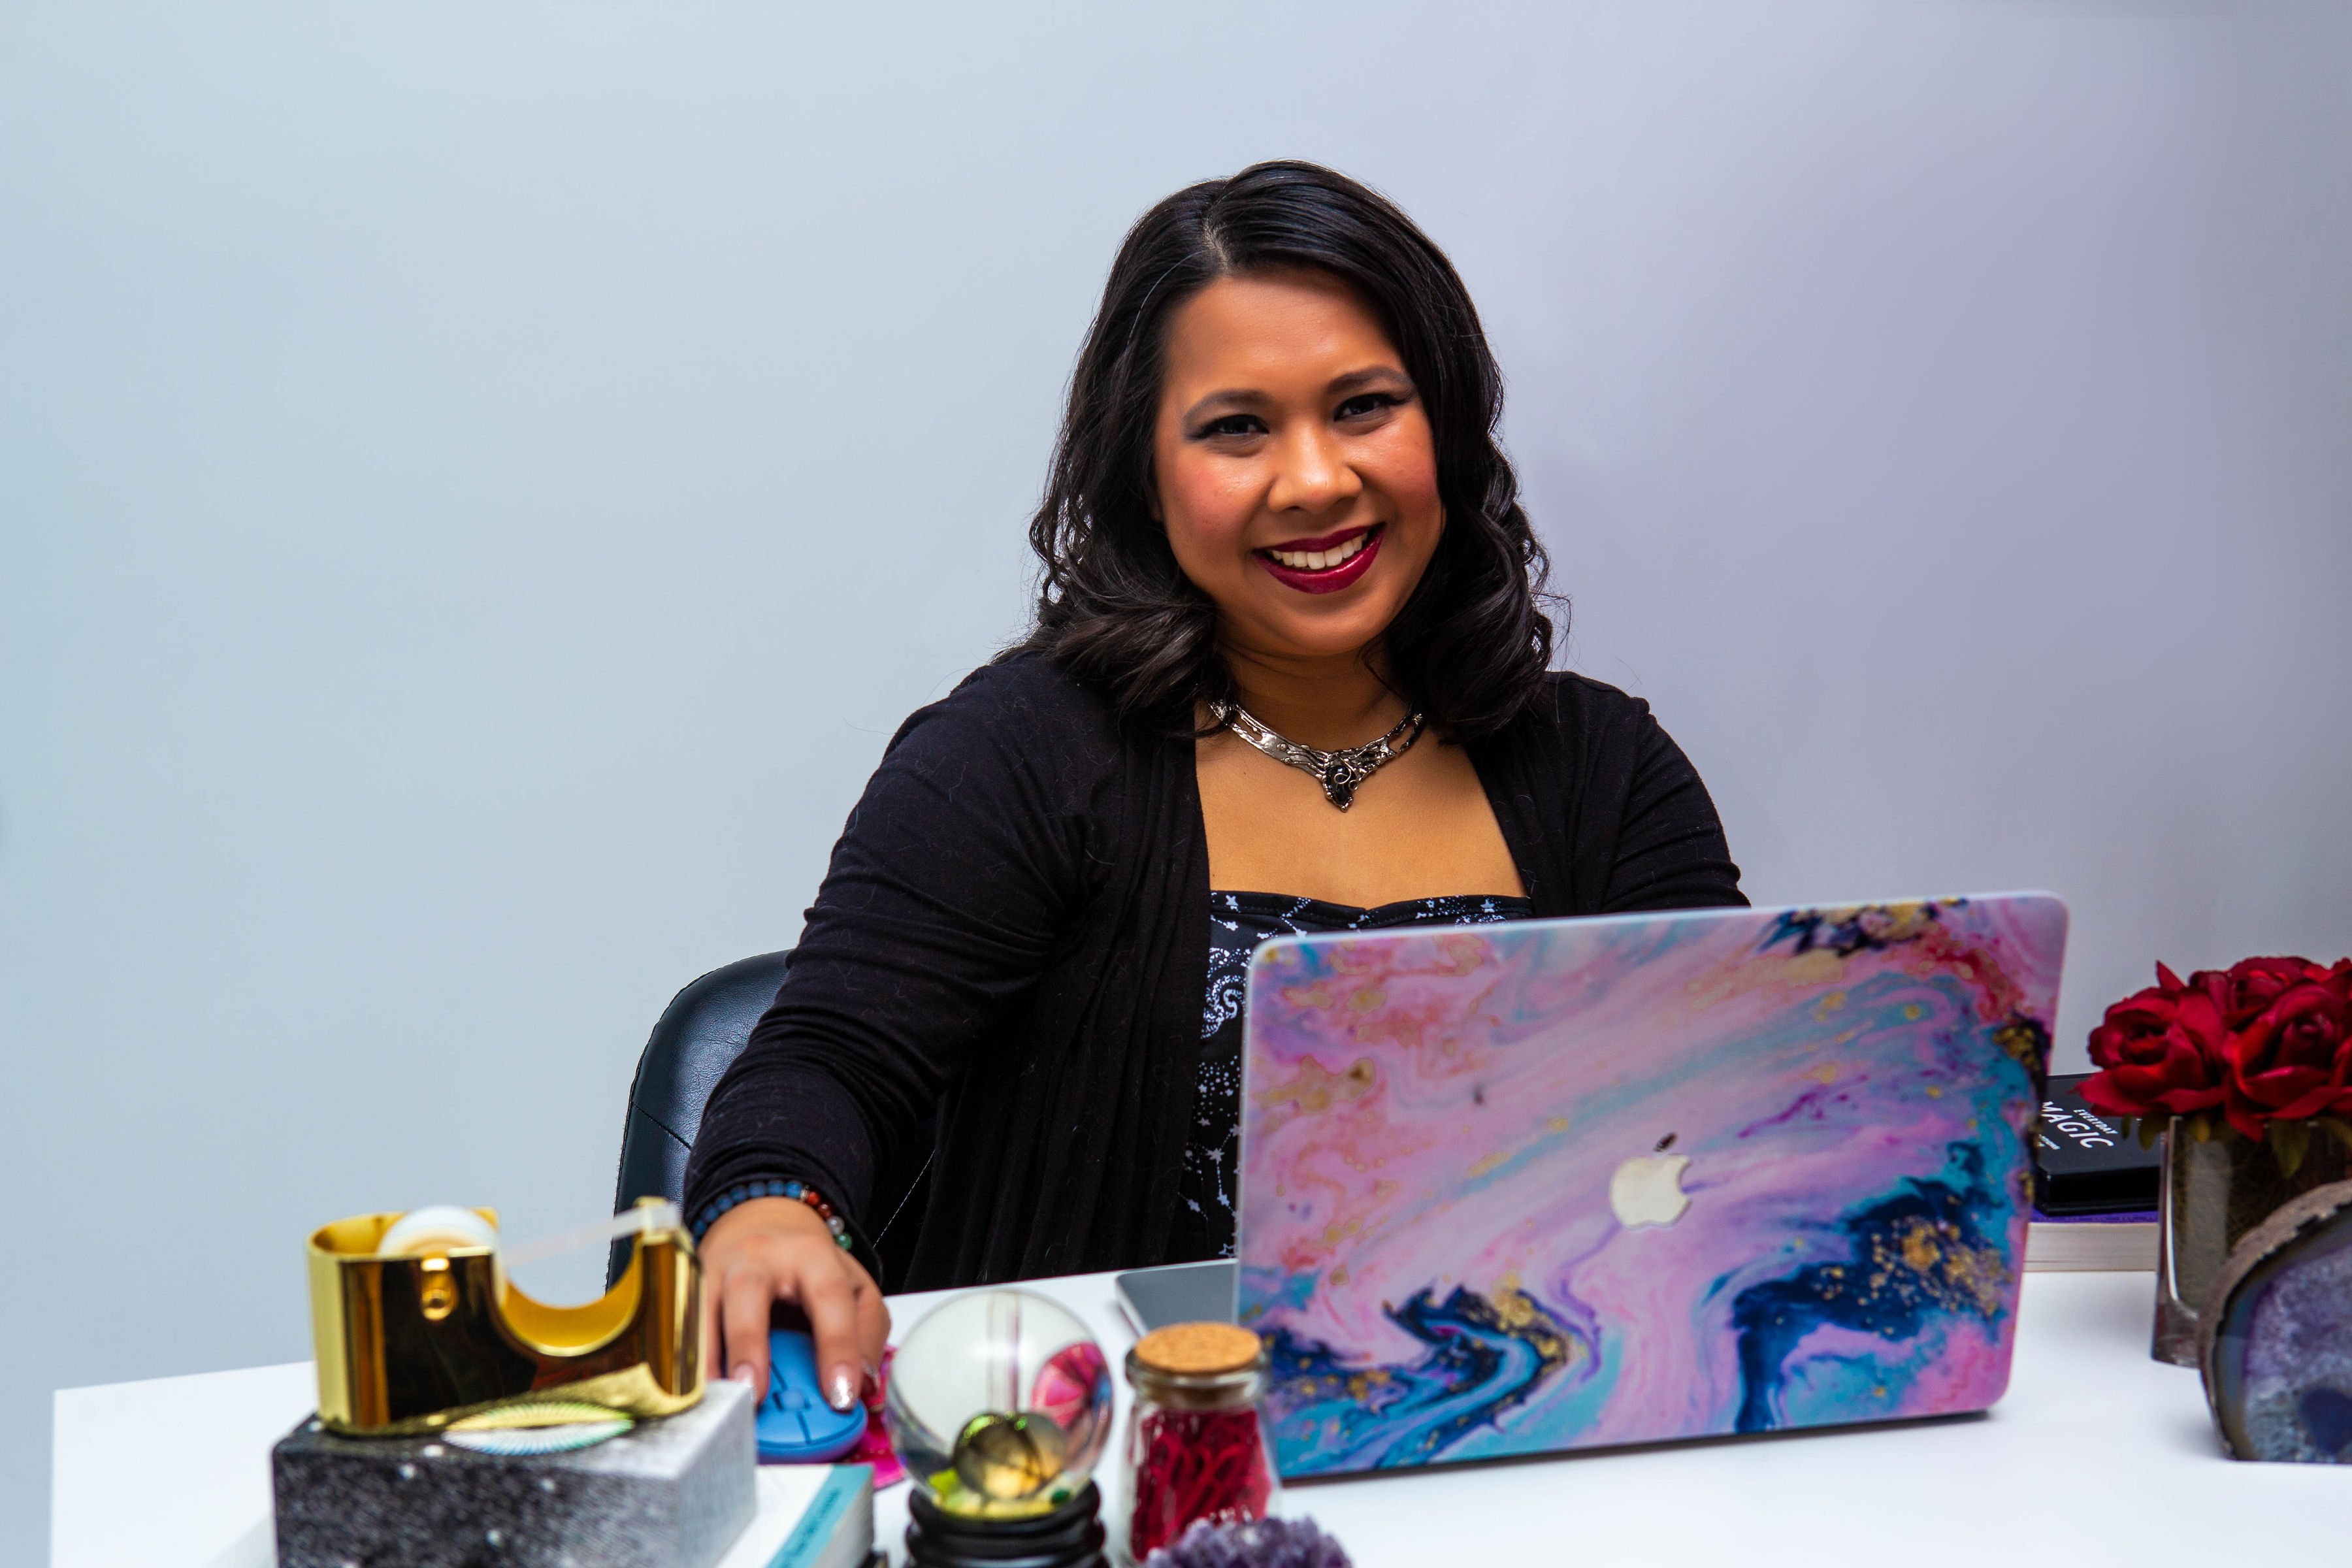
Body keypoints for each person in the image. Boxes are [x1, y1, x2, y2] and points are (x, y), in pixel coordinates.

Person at [683, 161, 1744, 1414]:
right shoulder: (1019, 755)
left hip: (1528, 1436)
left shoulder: (1604, 772)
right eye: (1238, 427)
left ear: (1446, 432)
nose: (1313, 481)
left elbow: (1723, 1115)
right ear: (1147, 470)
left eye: (1363, 407)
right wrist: (770, 1211)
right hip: (1117, 1456)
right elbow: (829, 1060)